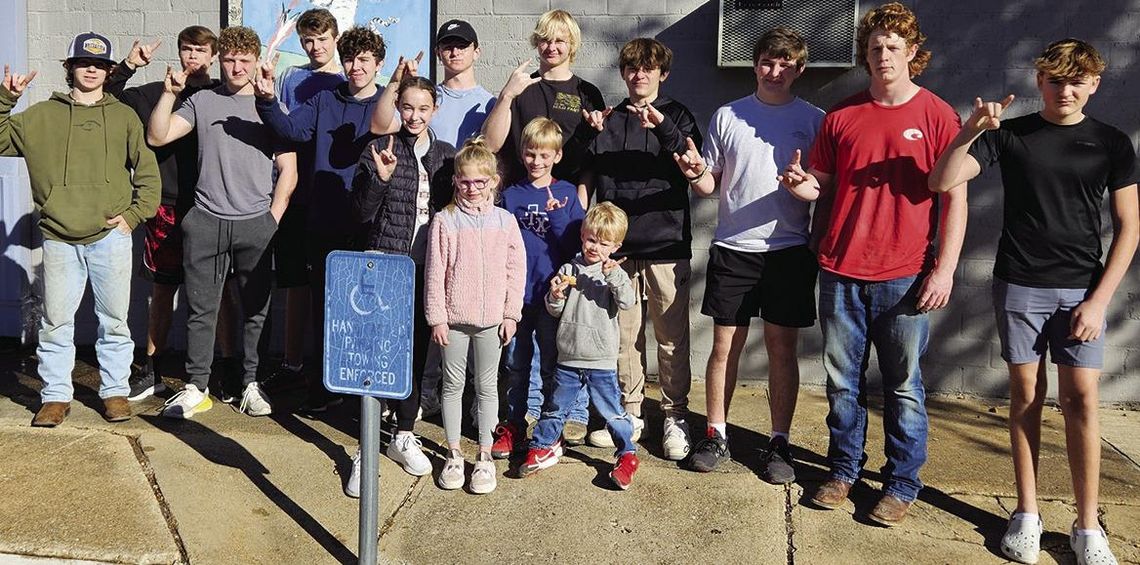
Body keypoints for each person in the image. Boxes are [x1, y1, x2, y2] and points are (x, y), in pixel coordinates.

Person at [929, 39, 1137, 565]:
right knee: (1025, 396)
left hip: (1082, 292)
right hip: (1020, 285)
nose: (1064, 90)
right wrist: (971, 130)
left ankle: (1088, 526)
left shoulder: (1111, 143)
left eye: (1075, 81)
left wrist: (1098, 301)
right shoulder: (1012, 135)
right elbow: (942, 179)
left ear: (1093, 83)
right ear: (1040, 81)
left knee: (1081, 401)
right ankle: (1026, 513)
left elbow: (1129, 228)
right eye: (1054, 80)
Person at [776, 2, 967, 525]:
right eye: (875, 47)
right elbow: (824, 186)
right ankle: (843, 472)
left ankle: (903, 483)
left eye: (893, 47)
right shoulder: (842, 115)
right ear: (865, 53)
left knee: (903, 385)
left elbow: (955, 199)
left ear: (912, 53)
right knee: (842, 382)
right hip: (840, 270)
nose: (883, 55)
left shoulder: (938, 115)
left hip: (905, 276)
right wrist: (801, 188)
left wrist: (945, 268)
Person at [673, 27, 822, 478]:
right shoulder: (728, 116)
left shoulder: (814, 118)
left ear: (799, 69)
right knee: (724, 348)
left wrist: (803, 188)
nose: (774, 71)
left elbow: (819, 187)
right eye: (767, 62)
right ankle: (716, 434)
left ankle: (779, 443)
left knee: (782, 348)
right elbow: (708, 184)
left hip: (788, 251)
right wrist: (694, 171)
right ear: (755, 64)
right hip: (733, 249)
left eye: (785, 64)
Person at [0, 32, 160, 426]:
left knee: (114, 320)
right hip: (58, 235)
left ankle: (115, 392)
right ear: (70, 67)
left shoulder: (123, 116)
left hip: (110, 235)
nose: (92, 69)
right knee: (55, 320)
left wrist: (133, 216)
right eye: (84, 63)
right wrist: (6, 100)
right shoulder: (40, 117)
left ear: (108, 71)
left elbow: (147, 172)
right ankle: (55, 396)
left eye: (100, 65)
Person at [147, 26, 298, 418]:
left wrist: (272, 219)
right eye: (229, 59)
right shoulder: (202, 101)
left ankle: (250, 383)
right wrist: (169, 93)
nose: (236, 67)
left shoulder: (269, 105)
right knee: (201, 309)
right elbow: (158, 136)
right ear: (220, 59)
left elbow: (289, 170)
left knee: (256, 311)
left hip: (255, 223)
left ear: (255, 62)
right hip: (206, 221)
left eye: (244, 61)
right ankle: (197, 386)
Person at [579, 37, 702, 460]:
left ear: (662, 74)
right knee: (624, 338)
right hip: (620, 250)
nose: (639, 74)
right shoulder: (608, 120)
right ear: (624, 73)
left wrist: (662, 126)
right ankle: (632, 411)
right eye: (632, 68)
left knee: (671, 337)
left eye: (648, 68)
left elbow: (692, 166)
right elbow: (587, 174)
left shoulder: (679, 116)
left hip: (667, 243)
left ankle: (674, 415)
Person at [370, 19, 498, 419]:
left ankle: (442, 406)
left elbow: (481, 164)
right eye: (447, 45)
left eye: (423, 108)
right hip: (395, 248)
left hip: (444, 244)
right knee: (397, 336)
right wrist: (395, 83)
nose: (415, 114)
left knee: (438, 331)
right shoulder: (396, 131)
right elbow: (379, 125)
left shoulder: (474, 117)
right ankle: (402, 405)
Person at [253, 25, 385, 411]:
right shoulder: (326, 99)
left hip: (371, 225)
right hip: (324, 221)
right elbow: (290, 128)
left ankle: (366, 390)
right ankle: (326, 386)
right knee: (326, 310)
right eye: (350, 59)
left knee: (368, 310)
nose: (356, 66)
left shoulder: (386, 109)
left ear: (378, 63)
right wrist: (265, 99)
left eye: (364, 59)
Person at [103, 26, 236, 402]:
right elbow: (106, 97)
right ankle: (152, 370)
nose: (192, 56)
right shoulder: (153, 93)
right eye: (186, 49)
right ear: (179, 53)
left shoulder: (222, 95)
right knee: (162, 290)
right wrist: (129, 65)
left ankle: (225, 370)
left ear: (213, 56)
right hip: (167, 205)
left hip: (215, 204)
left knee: (222, 290)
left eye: (200, 50)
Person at [346, 76, 455, 492]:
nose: (414, 116)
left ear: (434, 111)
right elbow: (359, 213)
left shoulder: (445, 156)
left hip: (427, 269)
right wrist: (381, 178)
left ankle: (404, 433)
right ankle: (366, 445)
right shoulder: (379, 148)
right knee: (375, 357)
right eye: (407, 107)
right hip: (385, 267)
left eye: (423, 109)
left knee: (414, 353)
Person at [425, 137, 525, 494]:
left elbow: (516, 270)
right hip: (454, 320)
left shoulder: (505, 221)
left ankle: (483, 456)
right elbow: (436, 272)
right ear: (455, 181)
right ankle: (454, 453)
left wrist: (511, 313)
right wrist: (437, 316)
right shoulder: (445, 221)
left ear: (493, 181)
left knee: (486, 387)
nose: (472, 188)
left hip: (492, 322)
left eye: (480, 182)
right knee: (452, 386)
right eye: (465, 181)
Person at [520, 202, 638, 489]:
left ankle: (627, 453)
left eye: (604, 243)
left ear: (616, 245)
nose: (595, 247)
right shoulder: (569, 267)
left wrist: (614, 275)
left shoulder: (614, 274)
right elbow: (556, 310)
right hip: (569, 355)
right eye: (591, 239)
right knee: (555, 406)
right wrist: (556, 296)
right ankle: (545, 444)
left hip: (601, 360)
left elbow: (627, 302)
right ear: (583, 235)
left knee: (611, 411)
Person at [496, 117, 587, 457]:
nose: (537, 162)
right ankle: (515, 422)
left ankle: (553, 425)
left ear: (557, 156)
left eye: (544, 156)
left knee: (552, 363)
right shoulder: (511, 195)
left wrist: (558, 216)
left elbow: (575, 248)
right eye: (531, 154)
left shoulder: (565, 194)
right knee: (517, 365)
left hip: (552, 297)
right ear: (522, 154)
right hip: (517, 295)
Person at [269, 8, 347, 392]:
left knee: (333, 286)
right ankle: (292, 362)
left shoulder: (349, 79)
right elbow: (280, 129)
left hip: (334, 199)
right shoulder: (291, 78)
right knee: (294, 281)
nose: (316, 47)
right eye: (308, 41)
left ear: (336, 36)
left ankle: (332, 367)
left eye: (322, 38)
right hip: (293, 195)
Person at [481, 9, 605, 187]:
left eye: (559, 41)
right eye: (545, 40)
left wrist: (581, 202)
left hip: (566, 201)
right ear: (536, 42)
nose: (551, 47)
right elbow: (489, 145)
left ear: (572, 45)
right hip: (519, 197)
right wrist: (506, 95)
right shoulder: (520, 88)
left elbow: (594, 161)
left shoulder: (587, 93)